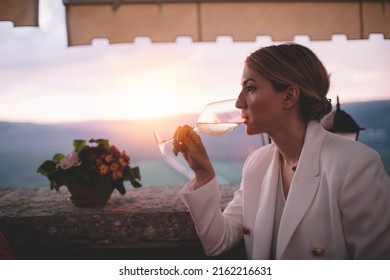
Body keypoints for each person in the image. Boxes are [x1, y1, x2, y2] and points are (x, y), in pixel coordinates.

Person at [172, 43, 390, 260]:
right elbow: (218, 241)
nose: (239, 102)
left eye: (250, 88)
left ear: (289, 97)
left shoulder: (355, 165)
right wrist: (203, 173)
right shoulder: (257, 163)